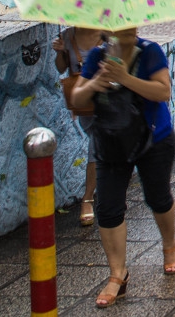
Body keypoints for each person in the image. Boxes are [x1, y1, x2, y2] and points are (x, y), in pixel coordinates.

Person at [71, 27, 175, 308]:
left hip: (153, 138)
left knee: (158, 197)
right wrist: (96, 82)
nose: (125, 31)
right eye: (118, 27)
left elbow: (163, 91)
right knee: (108, 207)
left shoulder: (150, 51)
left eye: (130, 26)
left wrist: (125, 78)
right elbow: (77, 99)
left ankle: (169, 246)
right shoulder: (97, 56)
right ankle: (117, 274)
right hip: (111, 140)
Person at [52, 26, 105, 226]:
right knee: (101, 144)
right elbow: (60, 68)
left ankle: (88, 199)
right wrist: (60, 51)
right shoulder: (68, 36)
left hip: (108, 98)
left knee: (97, 143)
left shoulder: (106, 31)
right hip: (84, 103)